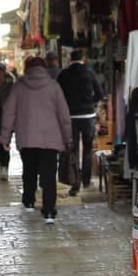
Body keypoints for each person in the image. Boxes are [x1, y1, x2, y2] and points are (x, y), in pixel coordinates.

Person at [0, 55, 72, 223]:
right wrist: (67, 138)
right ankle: (49, 212)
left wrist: (5, 137)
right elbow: (64, 115)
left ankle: (29, 201)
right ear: (44, 68)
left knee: (29, 171)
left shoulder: (19, 87)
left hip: (27, 137)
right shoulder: (53, 86)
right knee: (48, 175)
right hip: (50, 139)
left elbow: (9, 113)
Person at [57, 49, 105, 196]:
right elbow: (100, 94)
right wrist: (90, 102)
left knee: (73, 149)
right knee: (88, 148)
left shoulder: (63, 74)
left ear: (71, 59)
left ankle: (75, 182)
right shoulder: (90, 73)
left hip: (71, 117)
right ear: (83, 59)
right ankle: (86, 179)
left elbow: (57, 94)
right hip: (88, 116)